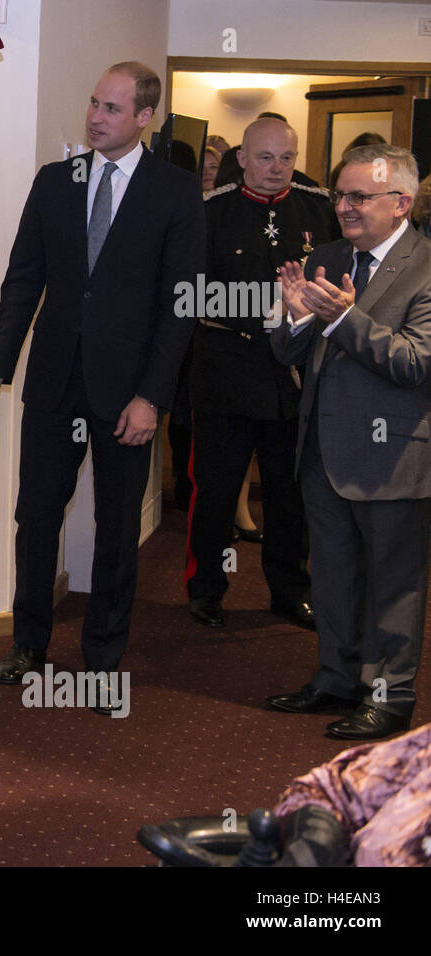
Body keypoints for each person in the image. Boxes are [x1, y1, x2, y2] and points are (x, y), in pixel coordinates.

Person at [0, 62, 204, 710]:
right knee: (34, 518)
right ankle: (28, 643)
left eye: (111, 107)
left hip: (127, 394)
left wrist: (152, 397)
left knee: (114, 529)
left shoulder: (173, 192)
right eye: (93, 102)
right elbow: (24, 280)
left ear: (143, 118)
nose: (95, 116)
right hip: (53, 384)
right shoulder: (55, 182)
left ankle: (104, 661)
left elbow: (179, 304)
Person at [268, 144, 431, 741]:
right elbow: (291, 355)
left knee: (393, 585)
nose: (344, 207)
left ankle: (390, 696)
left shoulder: (427, 266)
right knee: (332, 577)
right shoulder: (328, 257)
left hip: (396, 458)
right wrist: (293, 320)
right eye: (341, 195)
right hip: (323, 452)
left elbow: (416, 363)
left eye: (360, 196)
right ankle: (336, 677)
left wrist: (342, 320)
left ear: (402, 203)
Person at [185, 118, 336, 630]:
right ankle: (206, 588)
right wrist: (281, 310)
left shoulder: (319, 207)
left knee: (289, 494)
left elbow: (336, 284)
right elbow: (191, 294)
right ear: (243, 158)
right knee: (217, 491)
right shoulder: (210, 211)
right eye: (266, 158)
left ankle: (291, 590)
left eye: (287, 158)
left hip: (292, 379)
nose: (277, 169)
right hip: (226, 371)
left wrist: (302, 320)